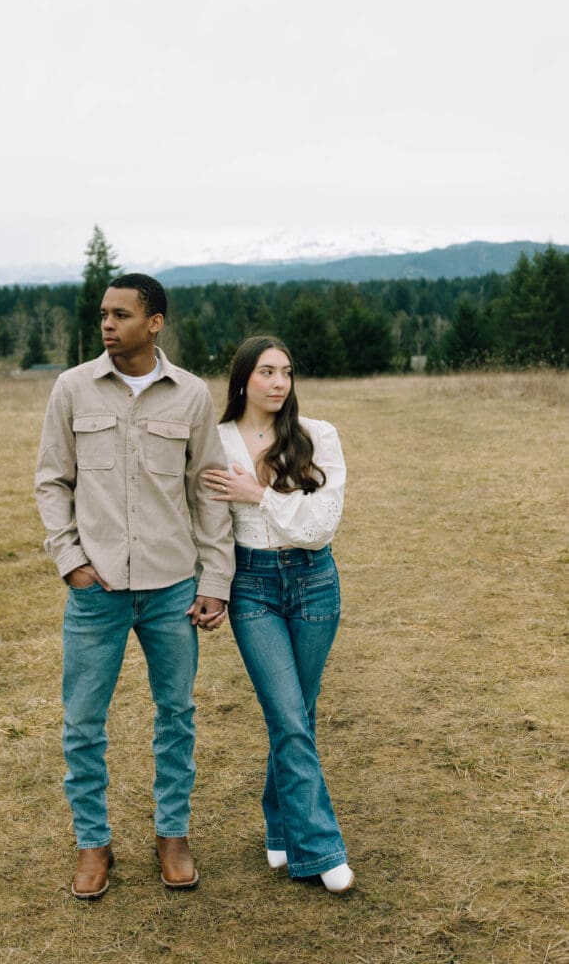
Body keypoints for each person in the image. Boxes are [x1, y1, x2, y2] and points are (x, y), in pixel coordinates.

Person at [35, 273, 234, 900]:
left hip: (173, 586)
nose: (107, 324)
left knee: (176, 713)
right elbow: (51, 481)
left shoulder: (193, 396)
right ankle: (93, 844)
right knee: (83, 722)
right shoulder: (71, 388)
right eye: (103, 314)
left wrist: (217, 580)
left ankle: (171, 835)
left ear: (155, 323)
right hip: (95, 591)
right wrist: (70, 560)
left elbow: (210, 490)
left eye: (121, 314)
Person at [202, 335, 354, 894]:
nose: (279, 382)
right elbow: (209, 524)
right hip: (253, 586)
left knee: (299, 714)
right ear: (243, 379)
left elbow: (321, 525)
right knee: (289, 715)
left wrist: (258, 494)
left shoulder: (318, 435)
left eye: (286, 372)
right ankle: (319, 848)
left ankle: (280, 825)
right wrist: (212, 587)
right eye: (267, 371)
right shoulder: (215, 442)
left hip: (315, 581)